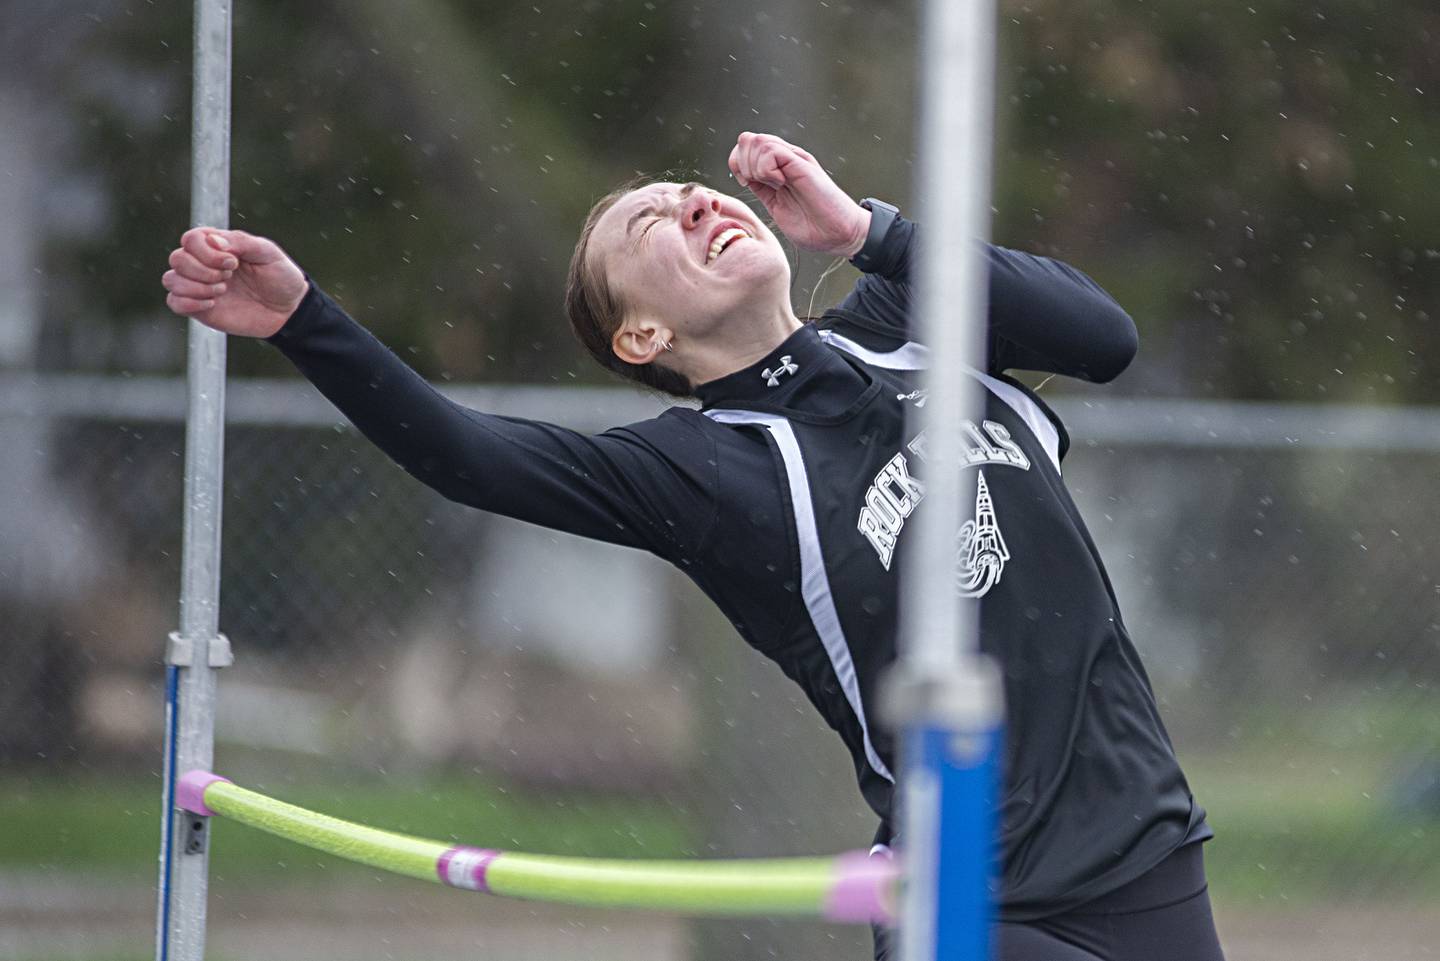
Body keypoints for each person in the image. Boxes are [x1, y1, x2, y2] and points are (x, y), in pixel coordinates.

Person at [162, 131, 1226, 961]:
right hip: (984, 897)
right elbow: (464, 453)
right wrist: (305, 318)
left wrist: (864, 231)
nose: (692, 204)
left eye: (688, 192)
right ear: (642, 339)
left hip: (1151, 851)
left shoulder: (910, 323)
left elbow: (1104, 338)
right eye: (649, 228)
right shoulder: (706, 472)